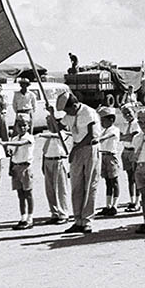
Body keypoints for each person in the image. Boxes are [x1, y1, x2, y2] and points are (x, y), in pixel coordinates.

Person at [54, 93, 101, 234]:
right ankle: (78, 220)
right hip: (78, 148)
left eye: (67, 110)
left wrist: (75, 149)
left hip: (90, 148)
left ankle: (87, 220)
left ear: (74, 105)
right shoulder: (69, 115)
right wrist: (51, 117)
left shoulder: (88, 112)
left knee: (89, 185)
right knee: (77, 185)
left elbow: (91, 135)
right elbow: (56, 128)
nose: (66, 114)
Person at [1, 114, 35, 229]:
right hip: (16, 167)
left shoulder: (29, 138)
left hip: (25, 167)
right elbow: (12, 155)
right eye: (19, 126)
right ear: (15, 127)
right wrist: (11, 168)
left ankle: (30, 218)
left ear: (28, 126)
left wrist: (5, 143)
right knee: (20, 194)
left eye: (25, 125)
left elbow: (21, 144)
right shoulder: (14, 139)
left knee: (28, 193)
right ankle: (23, 217)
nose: (22, 128)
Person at [40, 113, 71, 224]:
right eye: (48, 123)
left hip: (59, 161)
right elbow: (44, 152)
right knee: (50, 190)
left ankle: (63, 214)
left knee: (61, 189)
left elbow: (56, 136)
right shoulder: (48, 136)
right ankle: (54, 213)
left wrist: (40, 135)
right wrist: (43, 165)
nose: (49, 125)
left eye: (51, 123)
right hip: (48, 161)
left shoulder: (62, 134)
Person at [95, 106, 122, 217]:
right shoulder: (103, 130)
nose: (102, 122)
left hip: (111, 156)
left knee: (114, 181)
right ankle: (108, 205)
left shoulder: (114, 130)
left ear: (111, 120)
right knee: (107, 182)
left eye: (104, 120)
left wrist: (99, 139)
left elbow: (108, 137)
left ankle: (115, 206)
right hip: (103, 155)